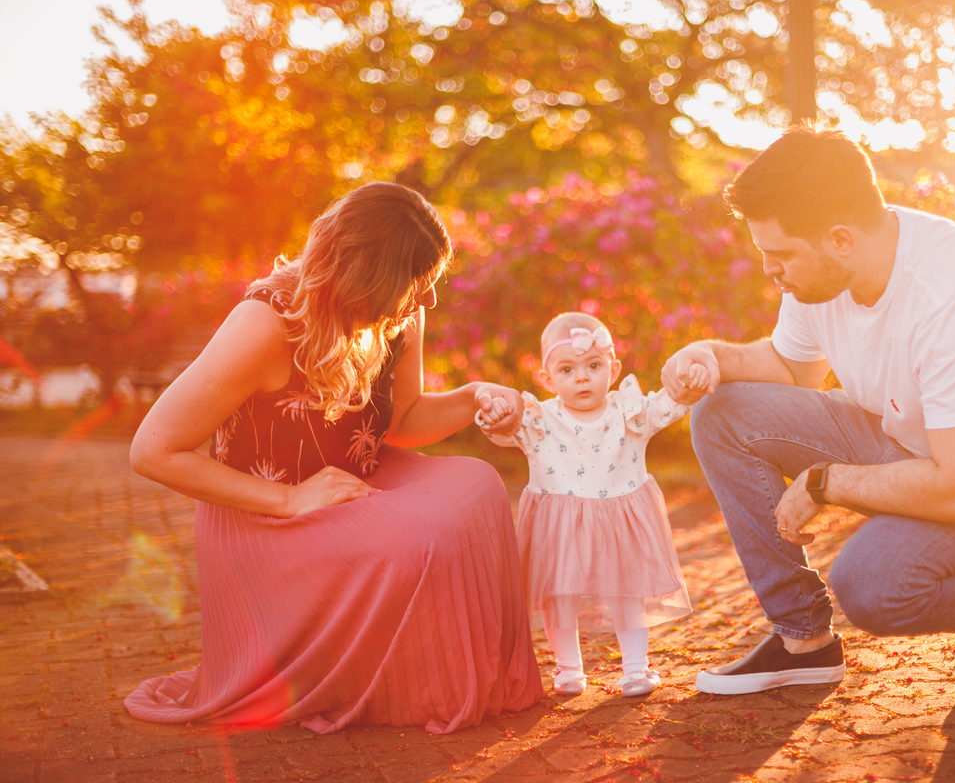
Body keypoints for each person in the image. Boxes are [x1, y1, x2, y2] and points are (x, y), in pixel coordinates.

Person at [660, 125, 955, 705]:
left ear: (840, 239)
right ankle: (803, 641)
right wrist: (713, 357)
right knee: (724, 411)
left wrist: (826, 482)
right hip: (910, 442)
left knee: (872, 583)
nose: (772, 271)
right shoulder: (826, 272)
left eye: (781, 254)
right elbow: (794, 370)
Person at [125, 181, 544, 734]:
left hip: (351, 477)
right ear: (367, 276)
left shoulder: (397, 316)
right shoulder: (266, 324)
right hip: (265, 515)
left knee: (480, 485)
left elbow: (403, 421)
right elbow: (153, 450)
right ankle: (395, 684)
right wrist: (290, 498)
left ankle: (426, 669)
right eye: (418, 283)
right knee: (417, 539)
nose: (430, 299)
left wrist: (473, 399)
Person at [476, 312, 703, 697]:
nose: (582, 377)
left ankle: (635, 668)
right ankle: (568, 669)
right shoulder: (539, 419)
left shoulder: (628, 412)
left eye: (593, 366)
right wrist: (496, 415)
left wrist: (686, 385)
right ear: (547, 379)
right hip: (559, 524)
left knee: (627, 593)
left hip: (621, 519)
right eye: (567, 369)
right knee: (558, 598)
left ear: (612, 369)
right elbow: (504, 429)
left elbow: (665, 406)